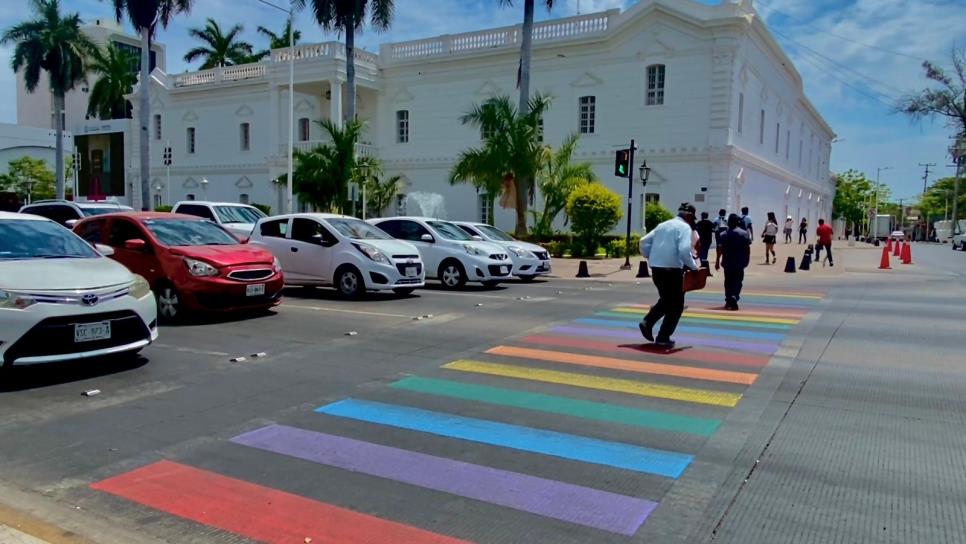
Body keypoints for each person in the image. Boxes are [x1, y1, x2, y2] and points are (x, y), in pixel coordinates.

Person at [639, 202, 699, 348]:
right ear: (689, 215)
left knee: (667, 300)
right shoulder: (684, 227)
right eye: (692, 218)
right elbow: (684, 250)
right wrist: (694, 267)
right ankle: (662, 335)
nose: (693, 222)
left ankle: (649, 323)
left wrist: (652, 256)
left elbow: (643, 242)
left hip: (657, 270)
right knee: (676, 305)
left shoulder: (662, 225)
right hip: (673, 271)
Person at [718, 213, 751, 310]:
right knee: (738, 281)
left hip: (727, 262)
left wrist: (717, 260)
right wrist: (747, 259)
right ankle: (734, 296)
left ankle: (729, 299)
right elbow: (747, 248)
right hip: (740, 262)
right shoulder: (745, 234)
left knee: (728, 281)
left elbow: (720, 249)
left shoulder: (723, 234)